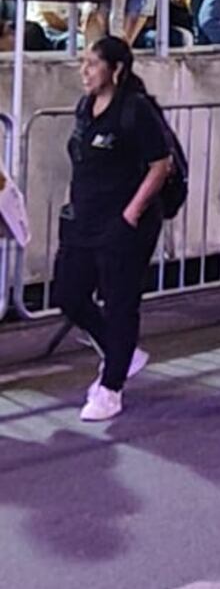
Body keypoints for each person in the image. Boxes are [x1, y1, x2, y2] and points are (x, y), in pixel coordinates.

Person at [52, 35, 173, 423]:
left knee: (120, 304)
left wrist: (132, 213)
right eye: (83, 62)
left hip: (123, 222)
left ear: (116, 70)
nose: (84, 70)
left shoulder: (135, 111)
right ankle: (121, 351)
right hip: (84, 219)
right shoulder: (85, 107)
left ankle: (111, 388)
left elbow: (161, 165)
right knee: (68, 294)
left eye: (93, 63)